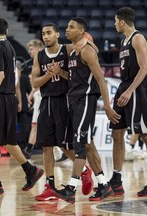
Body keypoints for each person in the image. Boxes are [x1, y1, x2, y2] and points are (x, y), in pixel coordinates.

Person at [0, 18, 44, 195]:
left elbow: (0, 77)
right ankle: (31, 170)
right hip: (10, 98)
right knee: (9, 141)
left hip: (0, 98)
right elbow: (3, 73)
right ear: (6, 30)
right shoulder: (10, 47)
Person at [53, 17, 121, 204]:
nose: (67, 29)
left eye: (71, 27)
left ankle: (70, 188)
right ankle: (104, 185)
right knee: (88, 144)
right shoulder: (74, 52)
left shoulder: (87, 51)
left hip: (86, 101)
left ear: (81, 32)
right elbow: (74, 77)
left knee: (80, 145)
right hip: (75, 100)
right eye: (67, 26)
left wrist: (107, 105)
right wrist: (60, 72)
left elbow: (101, 79)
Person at [31, 23, 97, 201]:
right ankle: (49, 186)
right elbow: (35, 83)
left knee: (64, 145)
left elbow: (73, 76)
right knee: (46, 146)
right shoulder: (39, 56)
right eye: (43, 33)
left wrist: (60, 72)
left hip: (64, 101)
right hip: (46, 103)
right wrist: (49, 74)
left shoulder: (67, 50)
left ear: (57, 34)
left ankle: (84, 170)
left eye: (49, 33)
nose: (45, 36)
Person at [109, 7, 147, 197]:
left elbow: (144, 69)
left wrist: (130, 91)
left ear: (122, 21)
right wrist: (123, 90)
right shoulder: (123, 41)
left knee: (146, 134)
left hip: (137, 89)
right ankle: (116, 179)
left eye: (116, 21)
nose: (114, 24)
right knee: (116, 132)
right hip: (125, 86)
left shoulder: (138, 38)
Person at [22, 39, 45, 159]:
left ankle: (28, 150)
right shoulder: (35, 61)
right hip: (38, 95)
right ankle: (28, 150)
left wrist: (31, 94)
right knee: (35, 125)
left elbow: (40, 82)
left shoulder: (42, 60)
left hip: (43, 95)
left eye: (31, 49)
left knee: (38, 125)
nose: (29, 52)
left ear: (38, 49)